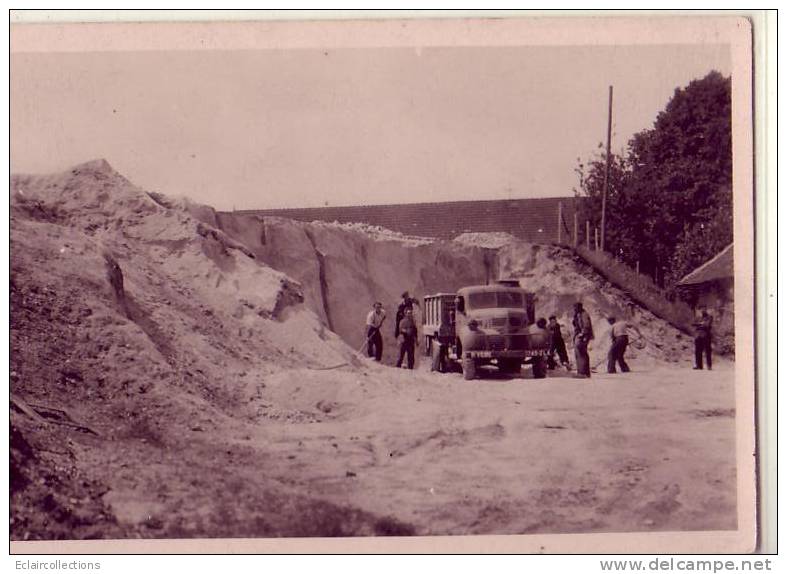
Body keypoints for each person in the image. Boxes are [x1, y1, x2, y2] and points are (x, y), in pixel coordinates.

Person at [572, 302, 594, 378]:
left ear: (579, 307)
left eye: (575, 307)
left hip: (582, 336)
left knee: (581, 353)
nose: (574, 309)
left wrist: (583, 334)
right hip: (580, 335)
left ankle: (583, 372)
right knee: (580, 353)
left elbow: (586, 325)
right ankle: (583, 372)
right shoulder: (578, 314)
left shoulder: (584, 314)